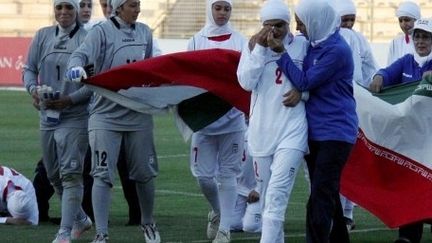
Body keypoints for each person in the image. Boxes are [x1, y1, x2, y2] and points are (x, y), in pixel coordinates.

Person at [66, 0, 161, 242]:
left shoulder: (145, 33)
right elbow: (79, 55)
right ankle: (101, 233)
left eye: (138, 4)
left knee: (145, 173)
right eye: (132, 5)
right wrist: (75, 67)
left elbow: (149, 66)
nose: (137, 9)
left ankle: (148, 222)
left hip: (138, 113)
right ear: (119, 8)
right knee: (101, 174)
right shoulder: (100, 32)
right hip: (105, 114)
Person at [269, 0, 359, 242]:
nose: (299, 29)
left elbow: (305, 81)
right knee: (327, 194)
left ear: (316, 21)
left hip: (336, 133)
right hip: (316, 132)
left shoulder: (337, 51)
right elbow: (306, 83)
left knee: (320, 195)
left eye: (302, 23)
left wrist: (281, 55)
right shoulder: (315, 44)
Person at [237, 0, 309, 242]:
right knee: (267, 195)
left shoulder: (302, 45)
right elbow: (246, 82)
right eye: (269, 26)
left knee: (278, 194)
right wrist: (258, 50)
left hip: (292, 130)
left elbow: (316, 80)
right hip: (261, 132)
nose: (274, 31)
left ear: (288, 25)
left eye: (279, 25)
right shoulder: (253, 46)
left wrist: (303, 92)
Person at [22, 0, 93, 242]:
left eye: (69, 8)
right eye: (59, 7)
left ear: (77, 10)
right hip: (47, 115)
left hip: (75, 116)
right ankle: (81, 219)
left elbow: (94, 82)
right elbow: (29, 69)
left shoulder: (89, 38)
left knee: (71, 174)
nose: (63, 12)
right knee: (53, 175)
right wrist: (33, 90)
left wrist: (70, 99)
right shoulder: (42, 36)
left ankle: (64, 233)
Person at [185, 1, 246, 242]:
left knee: (229, 175)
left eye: (226, 8)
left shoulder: (241, 41)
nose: (222, 13)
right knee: (204, 177)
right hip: (204, 121)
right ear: (209, 9)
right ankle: (219, 213)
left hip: (233, 120)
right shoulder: (196, 40)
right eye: (218, 8)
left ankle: (225, 229)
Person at [369, 19, 432, 243]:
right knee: (411, 186)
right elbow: (386, 73)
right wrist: (379, 77)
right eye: (418, 36)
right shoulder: (406, 61)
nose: (421, 41)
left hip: (430, 140)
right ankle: (407, 237)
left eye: (426, 37)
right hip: (411, 140)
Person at [230, 131, 261, 234]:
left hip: (260, 189)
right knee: (231, 225)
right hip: (239, 188)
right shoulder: (235, 125)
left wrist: (260, 189)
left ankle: (268, 215)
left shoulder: (263, 126)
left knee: (251, 227)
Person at [387, 1, 421, 65]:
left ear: (417, 20)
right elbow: (390, 68)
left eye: (407, 20)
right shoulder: (396, 42)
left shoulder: (427, 42)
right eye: (400, 21)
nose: (403, 24)